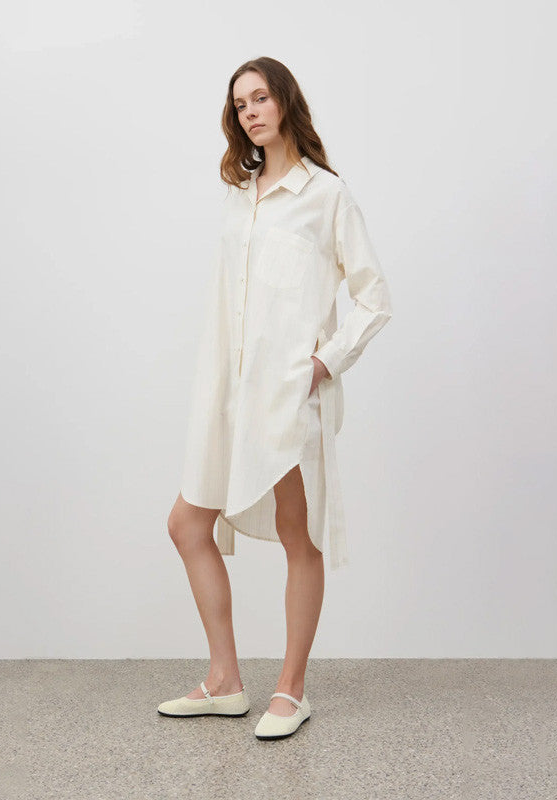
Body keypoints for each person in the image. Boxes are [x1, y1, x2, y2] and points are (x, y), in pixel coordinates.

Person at [159, 57, 393, 740]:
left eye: (260, 98)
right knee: (187, 524)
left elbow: (374, 298)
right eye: (240, 105)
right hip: (227, 394)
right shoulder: (241, 194)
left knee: (299, 537)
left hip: (286, 398)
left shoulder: (326, 195)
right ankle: (225, 681)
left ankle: (291, 689)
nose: (250, 112)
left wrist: (324, 362)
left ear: (285, 102)